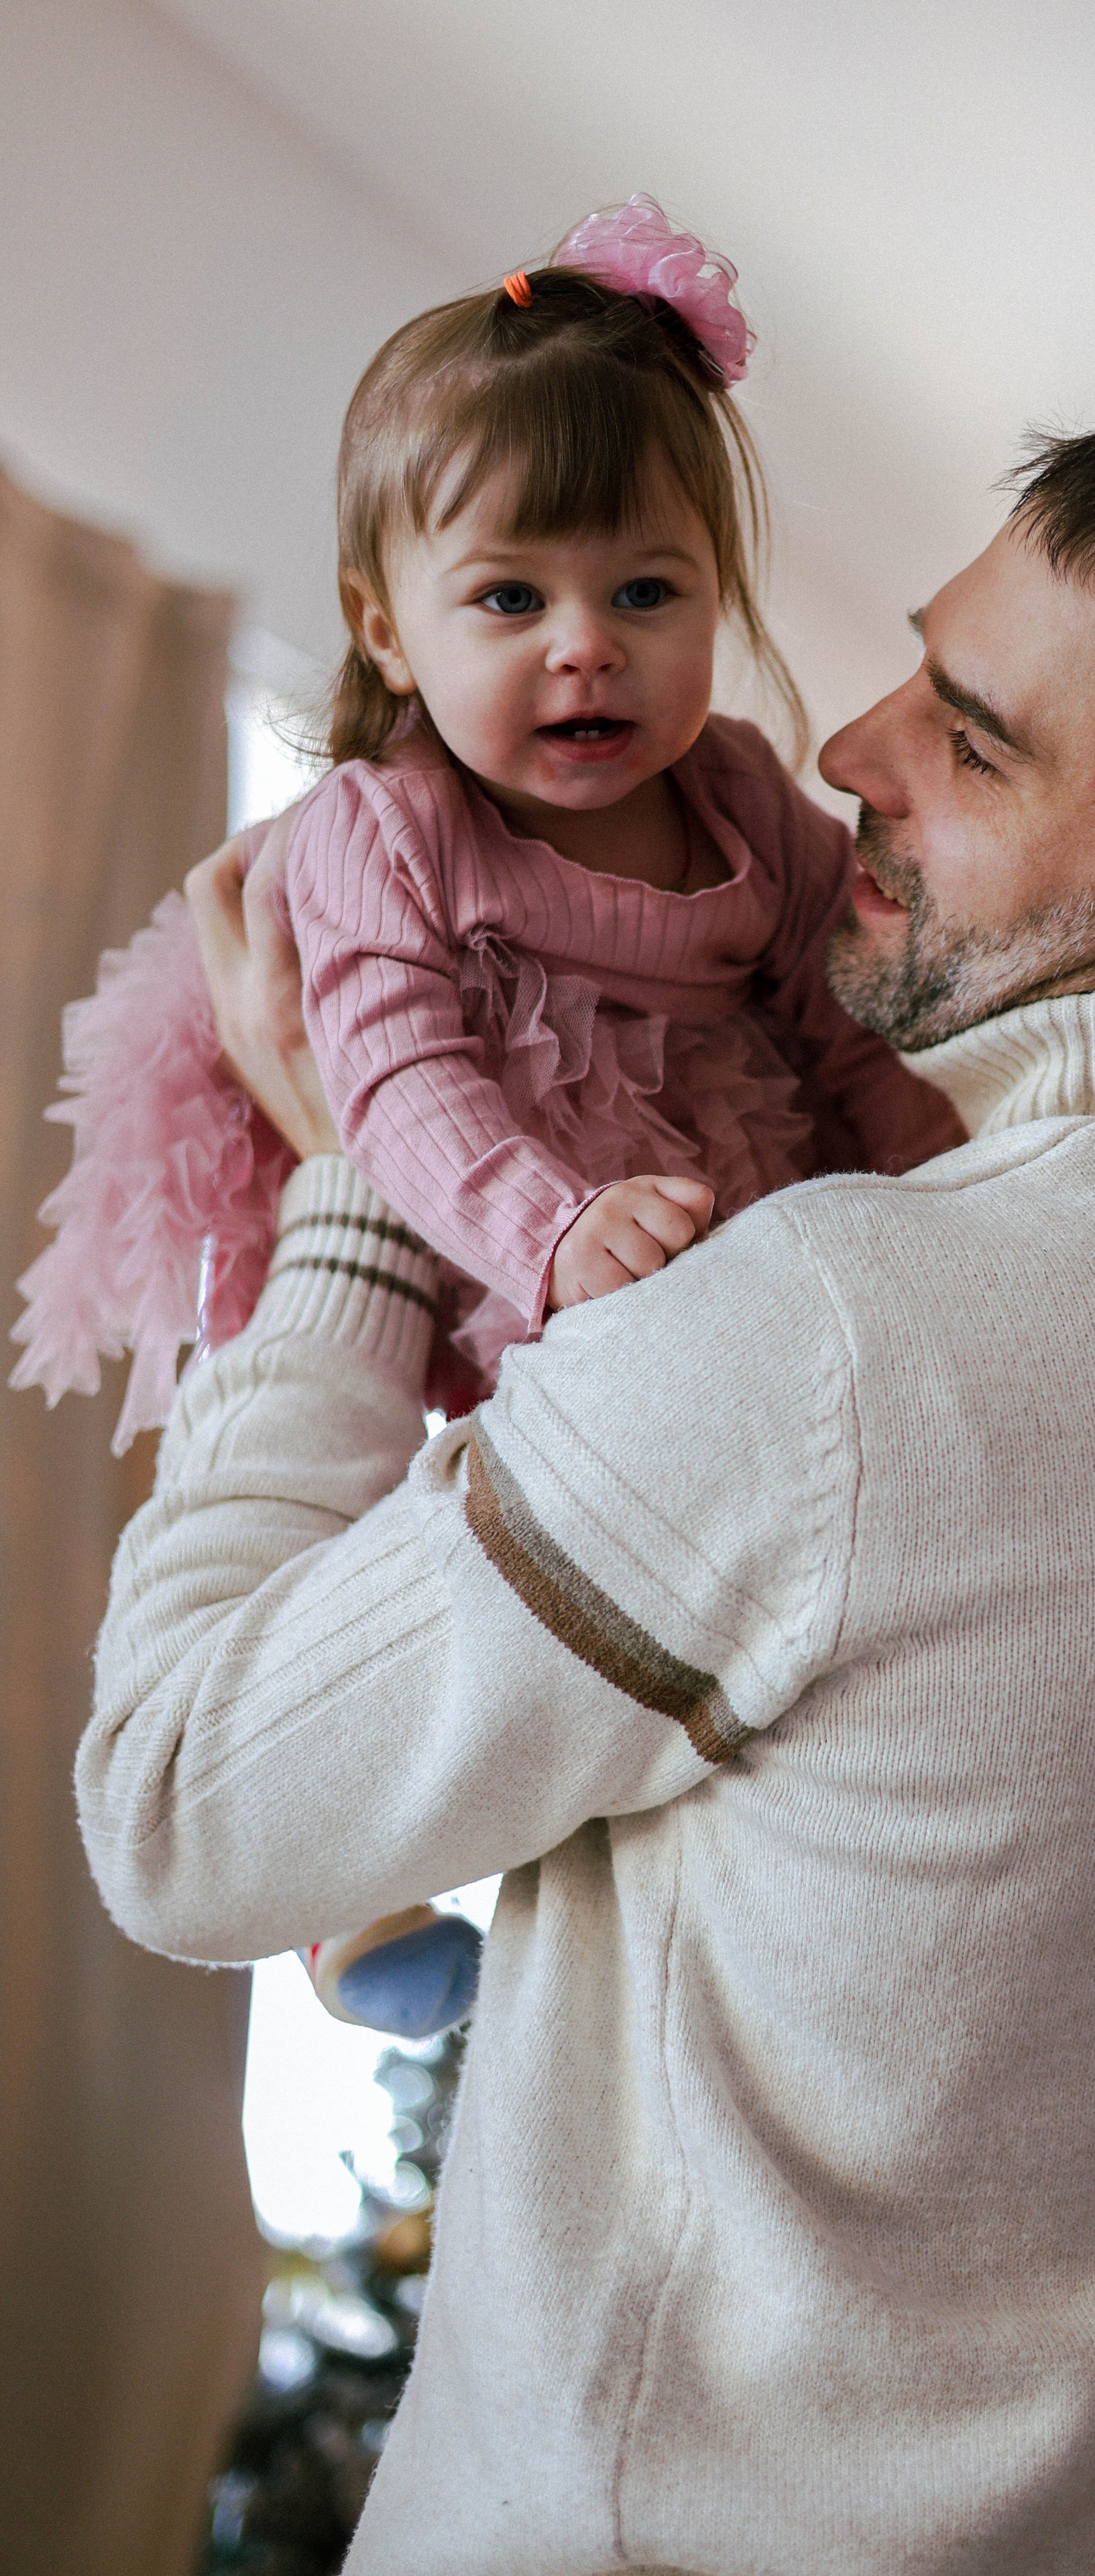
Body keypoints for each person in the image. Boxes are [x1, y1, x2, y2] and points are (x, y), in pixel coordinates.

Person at [79, 409, 1095, 2576]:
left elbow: (182, 1807)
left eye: (973, 734)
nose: (846, 745)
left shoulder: (834, 1336)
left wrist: (364, 1201)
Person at [16, 197, 957, 2037]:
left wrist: (942, 1190)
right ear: (386, 622)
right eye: (512, 599)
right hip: (502, 1261)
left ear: (719, 598)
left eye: (646, 593)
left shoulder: (751, 801)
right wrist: (543, 1229)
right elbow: (393, 1078)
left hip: (734, 1224)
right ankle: (356, 1908)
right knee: (407, 1554)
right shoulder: (393, 828)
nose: (584, 648)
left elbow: (845, 1026)